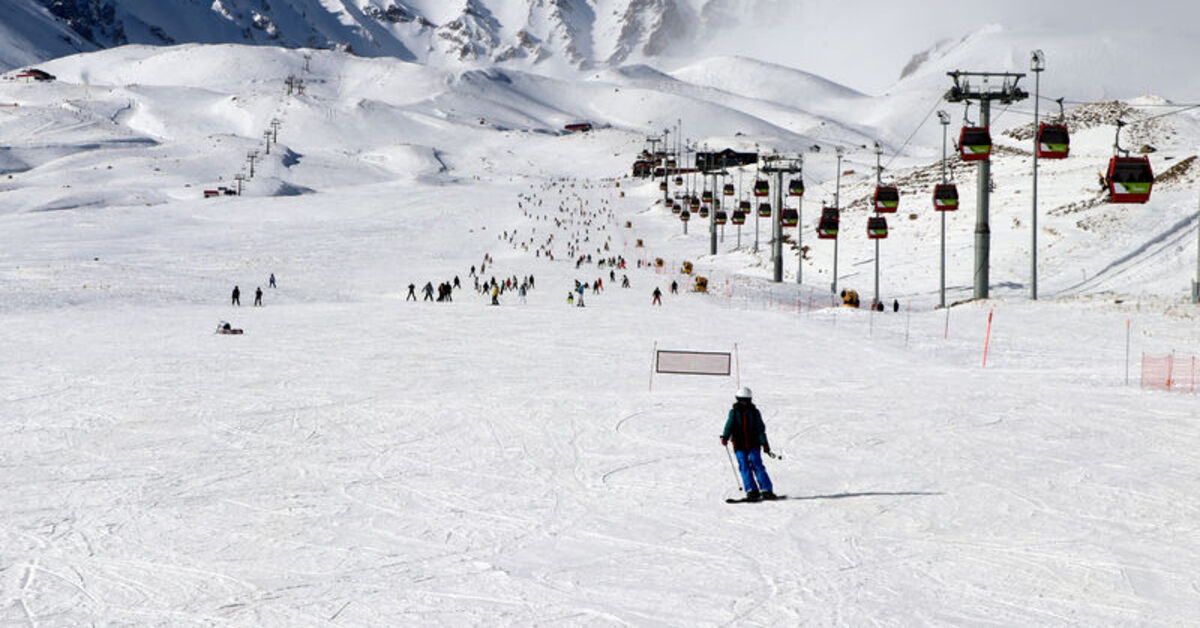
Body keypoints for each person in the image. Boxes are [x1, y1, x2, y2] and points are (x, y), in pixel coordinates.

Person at [720, 387, 775, 501]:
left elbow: (760, 429)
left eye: (746, 400)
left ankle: (766, 489)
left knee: (757, 463)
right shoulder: (734, 412)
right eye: (741, 400)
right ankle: (751, 490)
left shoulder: (755, 413)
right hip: (739, 444)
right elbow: (729, 425)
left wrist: (764, 443)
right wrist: (725, 436)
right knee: (744, 465)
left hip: (753, 443)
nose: (744, 403)